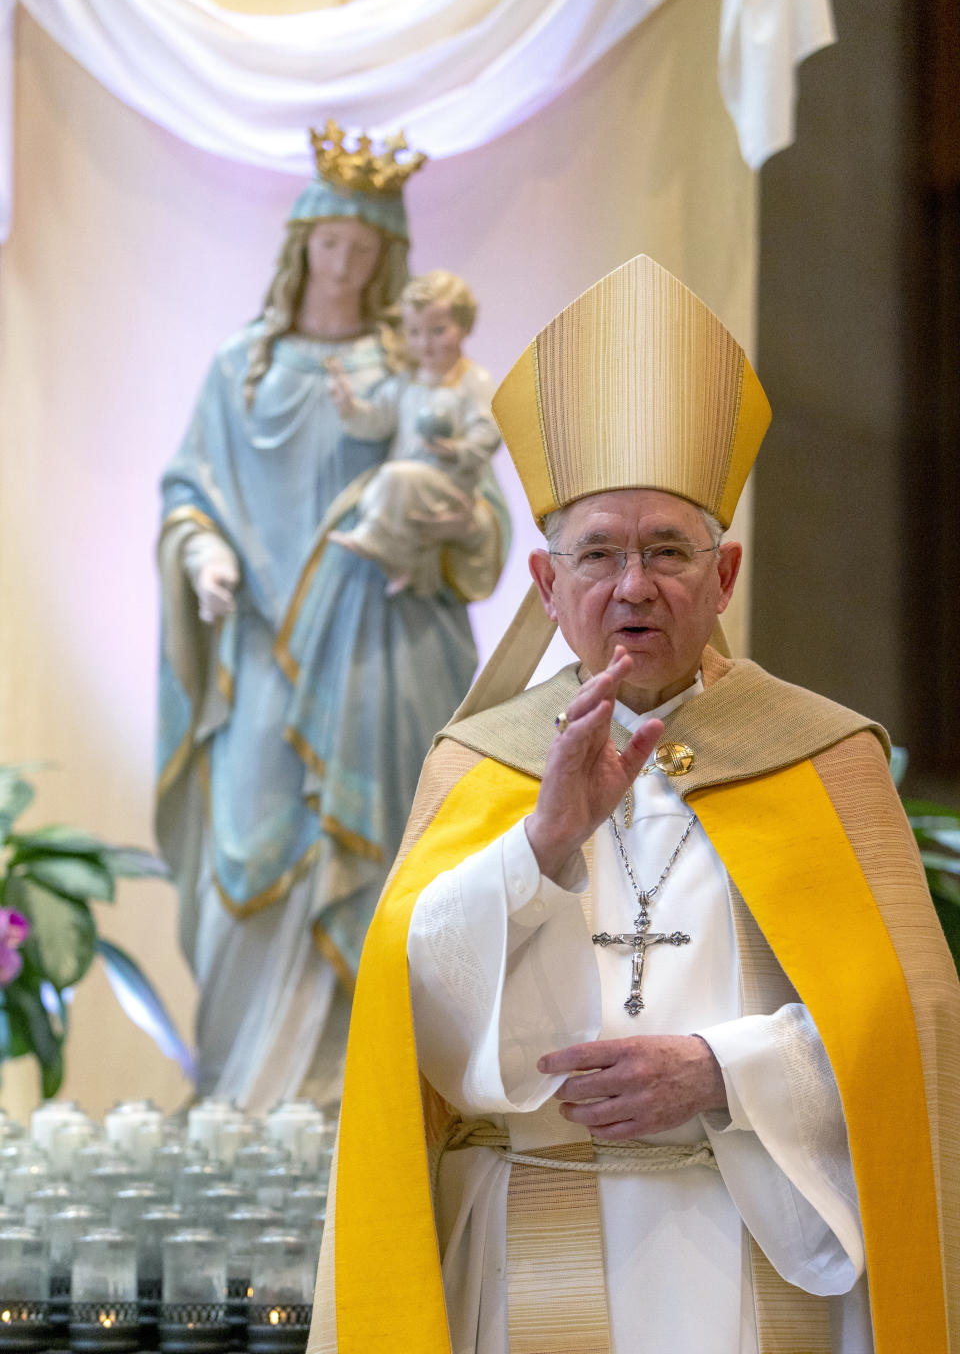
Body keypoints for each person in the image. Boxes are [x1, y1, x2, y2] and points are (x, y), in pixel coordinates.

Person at [310, 255, 960, 1352]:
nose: (632, 584)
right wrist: (543, 842)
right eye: (599, 552)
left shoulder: (823, 755)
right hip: (524, 1259)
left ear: (727, 573)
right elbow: (402, 1018)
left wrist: (723, 1070)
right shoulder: (483, 763)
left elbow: (912, 1027)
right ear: (545, 582)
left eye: (668, 549)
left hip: (757, 1256)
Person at [155, 123, 509, 1111]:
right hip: (264, 652)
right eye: (329, 241)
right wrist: (206, 554)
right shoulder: (242, 371)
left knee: (394, 859)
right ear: (301, 243)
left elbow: (477, 513)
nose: (344, 262)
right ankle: (243, 1099)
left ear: (386, 256)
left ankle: (376, 1101)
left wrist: (447, 524)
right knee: (250, 859)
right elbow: (188, 492)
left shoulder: (416, 374)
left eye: (364, 245)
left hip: (383, 654)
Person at [327, 270, 501, 597]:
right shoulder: (405, 382)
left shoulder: (472, 381)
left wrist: (458, 450)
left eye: (438, 331)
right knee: (382, 485)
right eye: (414, 332)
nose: (425, 343)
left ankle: (375, 540)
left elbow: (489, 429)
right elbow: (377, 420)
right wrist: (349, 406)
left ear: (464, 327)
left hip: (449, 485)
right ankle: (402, 562)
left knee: (393, 477)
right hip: (409, 484)